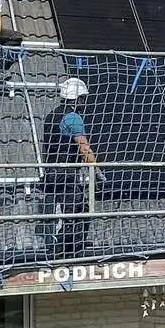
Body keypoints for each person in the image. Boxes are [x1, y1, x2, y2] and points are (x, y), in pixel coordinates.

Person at [39, 76, 99, 257]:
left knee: (67, 211)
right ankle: (67, 251)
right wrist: (97, 170)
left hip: (51, 171)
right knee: (77, 210)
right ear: (78, 98)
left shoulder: (52, 115)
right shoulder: (73, 118)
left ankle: (64, 247)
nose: (84, 103)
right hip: (66, 173)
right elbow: (84, 148)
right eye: (83, 99)